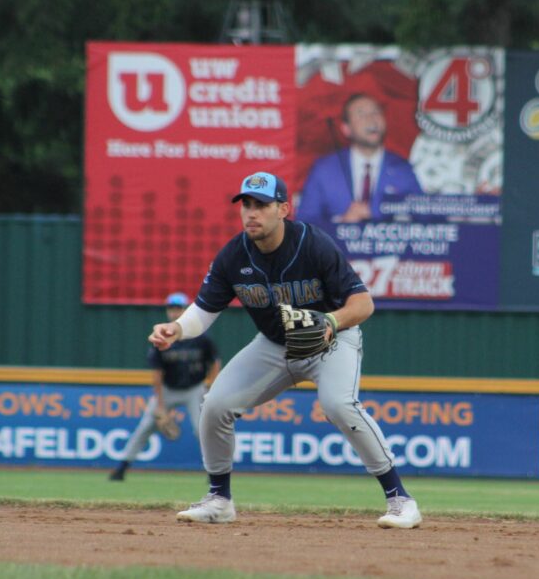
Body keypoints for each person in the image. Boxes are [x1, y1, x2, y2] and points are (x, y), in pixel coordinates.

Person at [148, 171, 422, 529]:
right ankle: (219, 500)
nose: (251, 213)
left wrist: (331, 322)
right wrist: (178, 328)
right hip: (274, 346)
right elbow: (204, 310)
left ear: (284, 209)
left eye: (261, 205)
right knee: (215, 405)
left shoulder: (313, 243)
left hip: (331, 340)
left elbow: (363, 304)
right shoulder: (234, 255)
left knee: (340, 405)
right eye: (246, 205)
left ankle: (400, 499)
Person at [110, 291, 220, 482]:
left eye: (178, 308)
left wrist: (212, 388)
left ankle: (214, 473)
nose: (174, 312)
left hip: (194, 389)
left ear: (185, 310)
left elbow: (215, 362)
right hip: (168, 390)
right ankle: (121, 468)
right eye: (171, 308)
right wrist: (160, 405)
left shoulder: (200, 336)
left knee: (202, 429)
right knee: (145, 427)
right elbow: (157, 375)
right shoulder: (161, 337)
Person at [296, 93, 423, 231]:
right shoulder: (324, 169)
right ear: (346, 129)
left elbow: (425, 219)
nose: (371, 119)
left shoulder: (402, 169)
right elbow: (303, 226)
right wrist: (341, 223)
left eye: (376, 112)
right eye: (361, 114)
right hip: (339, 251)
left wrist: (378, 210)